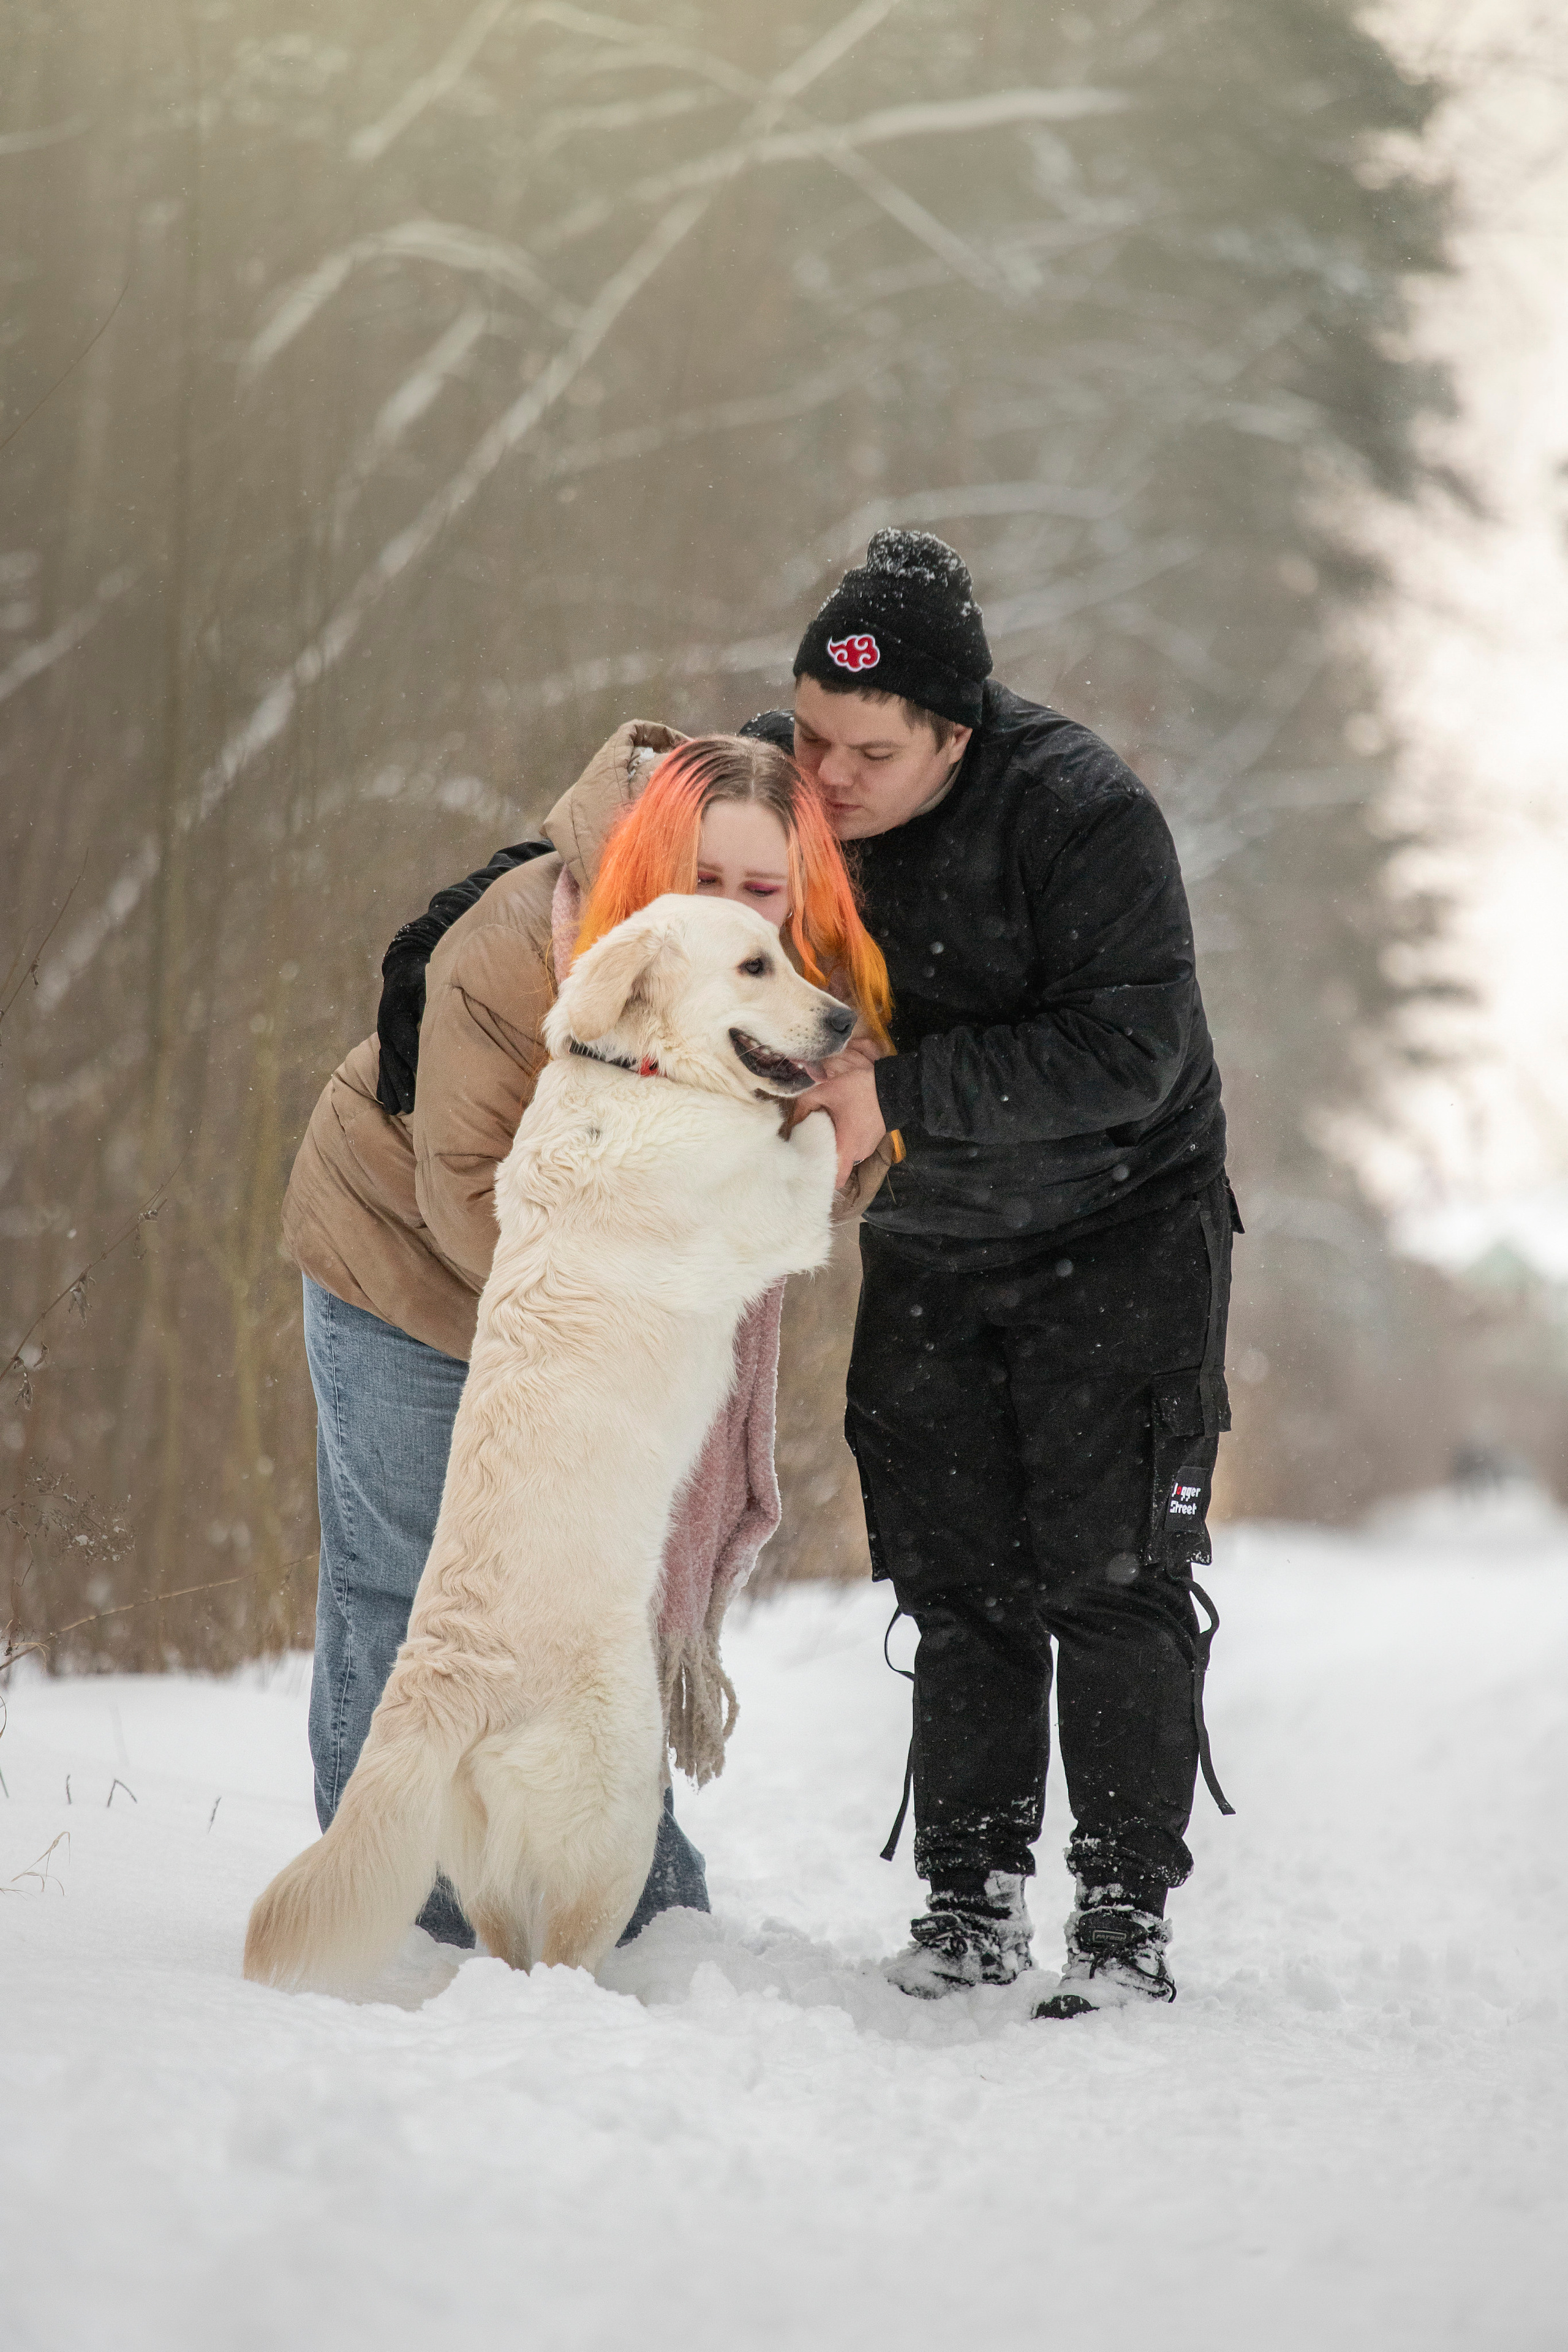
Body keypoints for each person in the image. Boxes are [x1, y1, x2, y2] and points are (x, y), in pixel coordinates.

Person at [385, 530, 1237, 2018]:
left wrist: (886, 1096)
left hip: (1118, 1233)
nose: (826, 777)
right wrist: (431, 955)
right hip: (930, 1236)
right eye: (811, 733)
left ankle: (1119, 1919)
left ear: (955, 736)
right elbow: (618, 859)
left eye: (869, 753)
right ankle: (967, 1901)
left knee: (1110, 1577)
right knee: (957, 1578)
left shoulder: (1079, 814)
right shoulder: (788, 779)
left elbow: (1133, 1050)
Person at [282, 725, 893, 1951]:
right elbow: (465, 1187)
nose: (732, 907)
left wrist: (850, 1127)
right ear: (652, 854)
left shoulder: (782, 984)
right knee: (413, 1586)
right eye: (704, 877)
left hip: (592, 1298)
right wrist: (638, 1287)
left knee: (581, 1604)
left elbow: (807, 1188)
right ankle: (411, 1919)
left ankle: (607, 1891)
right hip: (405, 1260)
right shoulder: (521, 939)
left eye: (762, 888)